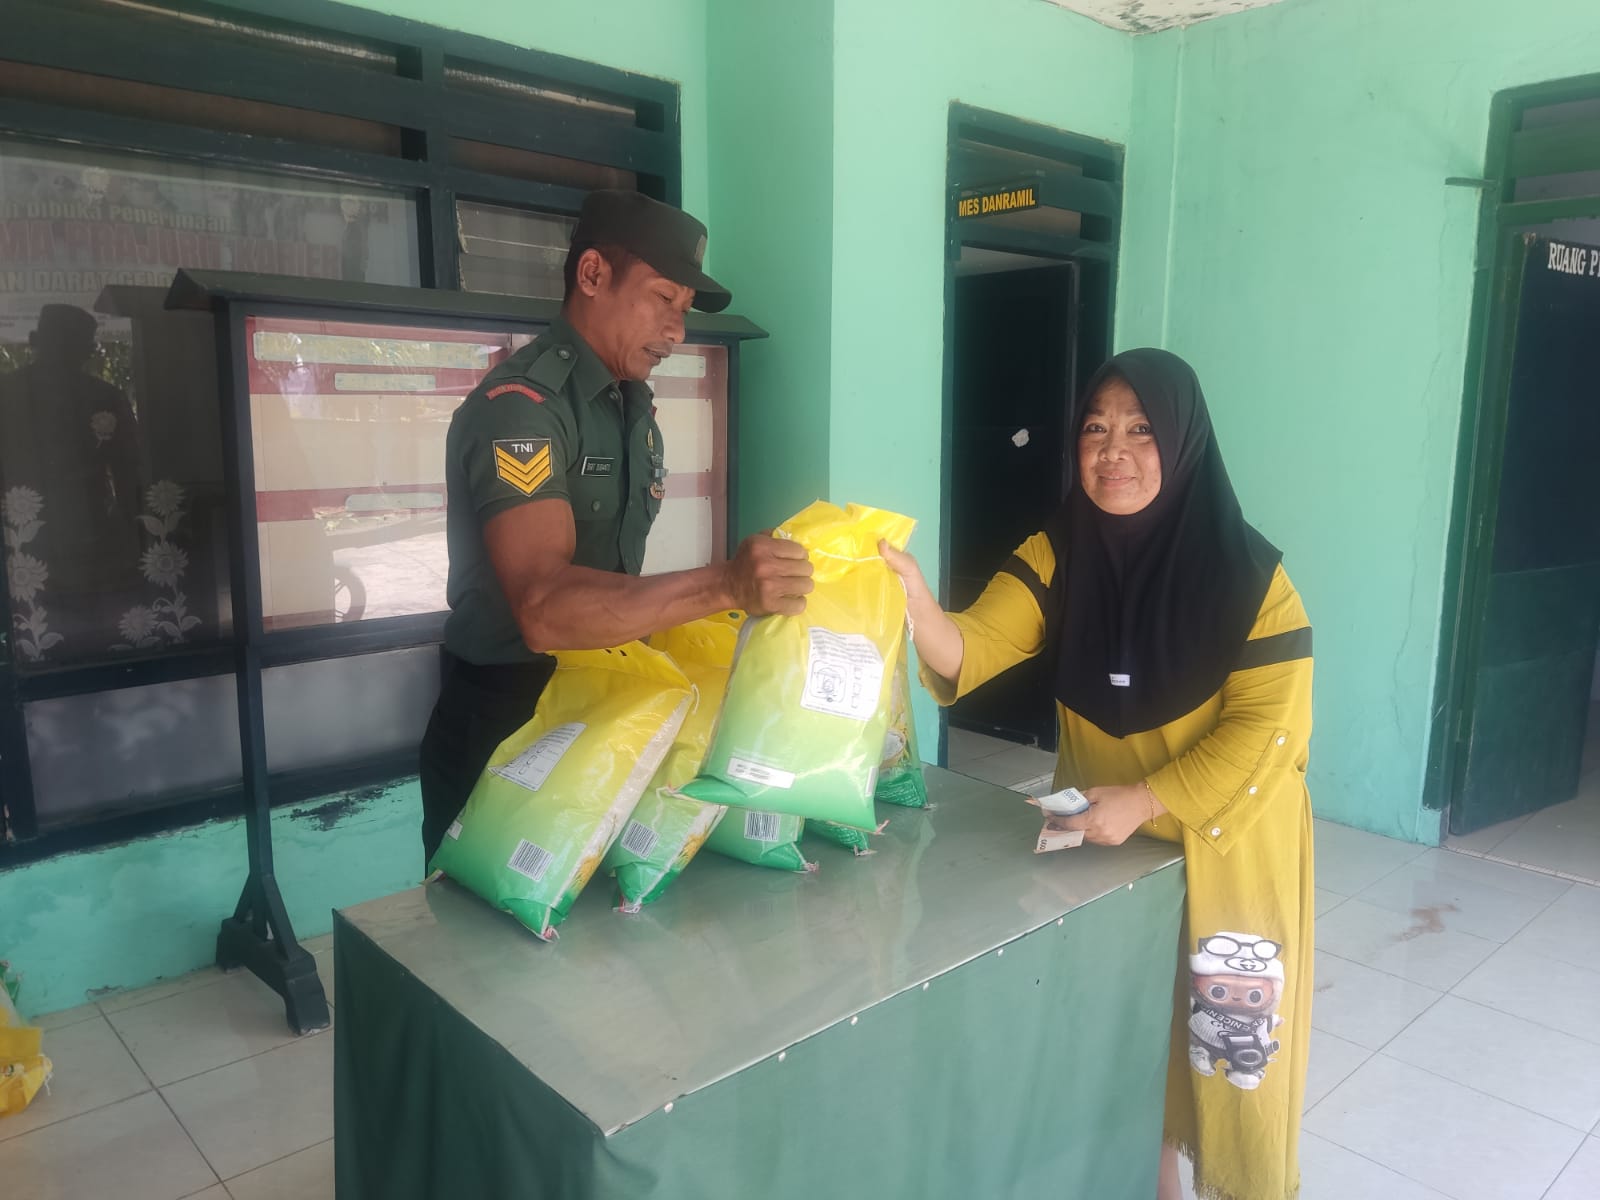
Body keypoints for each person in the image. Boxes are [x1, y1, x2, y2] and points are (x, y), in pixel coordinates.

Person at [882, 348, 1312, 1200]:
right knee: (1120, 1033)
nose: (1114, 450)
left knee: (1229, 1049)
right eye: (1095, 428)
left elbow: (1270, 730)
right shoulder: (1058, 551)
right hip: (1104, 845)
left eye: (1141, 429)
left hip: (1228, 848)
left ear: (1182, 442)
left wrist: (1149, 798)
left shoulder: (1254, 578)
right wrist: (916, 603)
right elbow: (972, 647)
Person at [418, 190, 813, 864]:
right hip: (508, 720)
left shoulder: (631, 410)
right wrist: (724, 585)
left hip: (600, 709)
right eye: (662, 299)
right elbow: (542, 609)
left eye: (684, 310)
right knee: (493, 924)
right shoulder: (523, 409)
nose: (676, 331)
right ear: (593, 274)